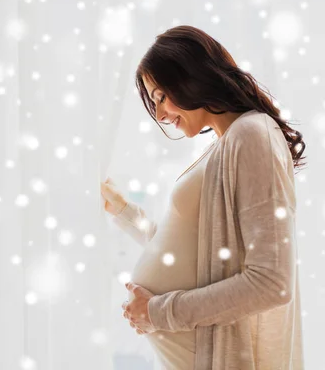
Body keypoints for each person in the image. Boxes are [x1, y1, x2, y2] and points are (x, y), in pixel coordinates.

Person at [101, 25, 307, 369]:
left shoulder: (252, 135)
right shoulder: (226, 145)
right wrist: (121, 210)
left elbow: (272, 283)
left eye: (160, 97)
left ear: (190, 76)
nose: (161, 116)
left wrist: (157, 313)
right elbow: (189, 251)